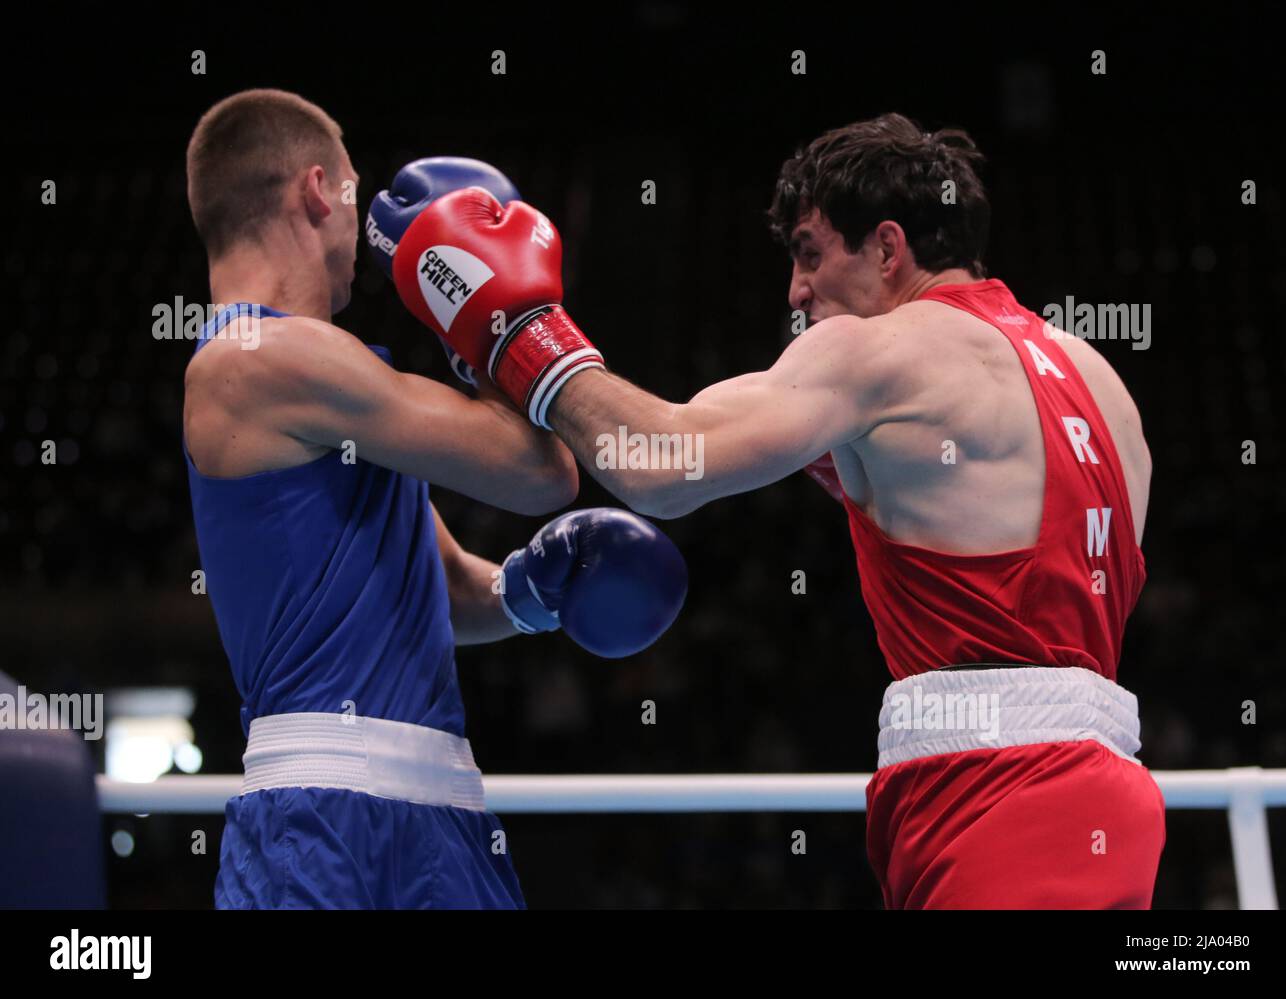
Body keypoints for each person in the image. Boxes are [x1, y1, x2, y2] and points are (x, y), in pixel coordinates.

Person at [375, 112, 1164, 909]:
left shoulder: (880, 352)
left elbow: (661, 463)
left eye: (810, 253)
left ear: (888, 249)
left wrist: (513, 327)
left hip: (1001, 795)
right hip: (1101, 793)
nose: (796, 289)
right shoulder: (1098, 381)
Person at [182, 89, 686, 909]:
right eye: (353, 192)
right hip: (321, 813)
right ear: (319, 191)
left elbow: (447, 585)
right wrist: (491, 328)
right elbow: (541, 474)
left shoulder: (338, 386)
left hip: (442, 805)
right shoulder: (253, 358)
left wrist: (531, 588)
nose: (362, 231)